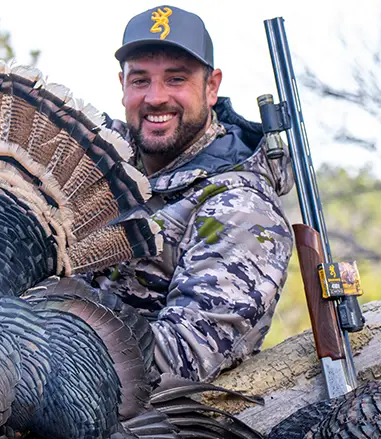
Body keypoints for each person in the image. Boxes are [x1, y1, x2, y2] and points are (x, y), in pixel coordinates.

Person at [88, 5, 294, 383]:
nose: (155, 98)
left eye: (176, 79)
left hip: (148, 414)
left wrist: (36, 339)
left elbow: (184, 357)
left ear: (211, 87)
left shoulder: (242, 207)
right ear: (122, 85)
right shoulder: (99, 160)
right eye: (140, 80)